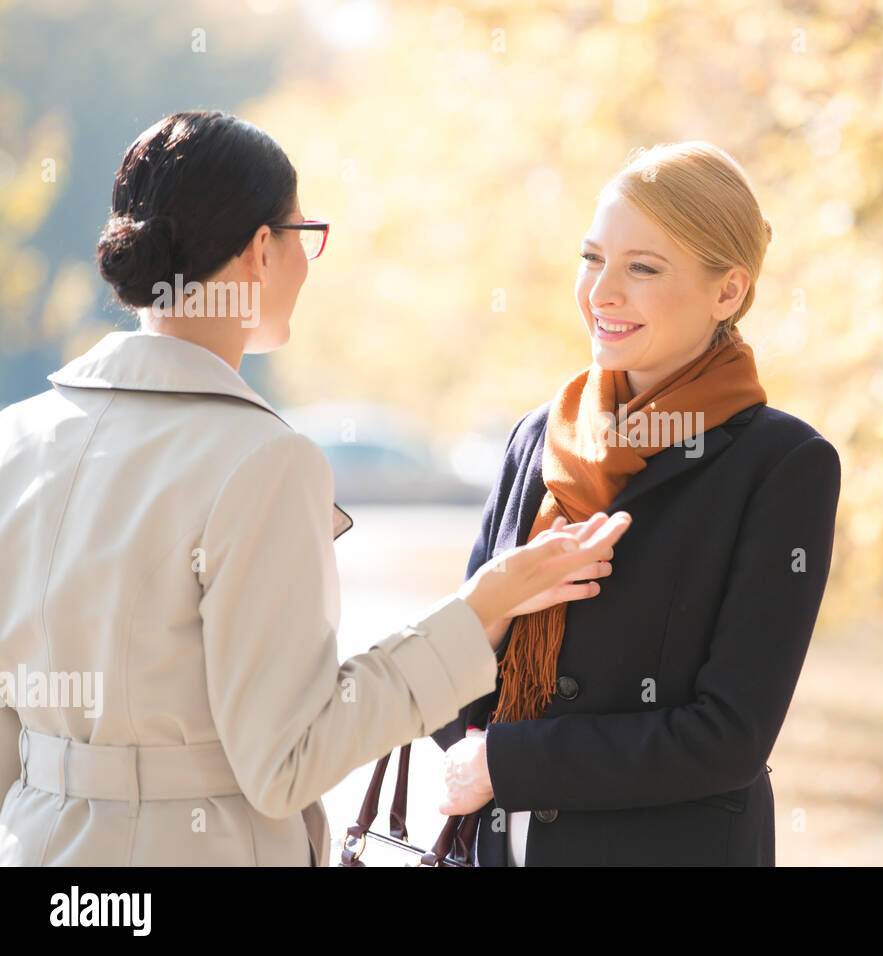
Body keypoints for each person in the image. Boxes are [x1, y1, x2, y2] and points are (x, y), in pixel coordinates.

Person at [0, 110, 630, 866]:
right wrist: (481, 608)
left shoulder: (19, 435)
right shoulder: (261, 458)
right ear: (262, 249)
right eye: (305, 233)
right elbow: (288, 759)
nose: (308, 258)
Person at [435, 141, 840, 865]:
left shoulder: (782, 465)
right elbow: (450, 709)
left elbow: (729, 738)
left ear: (728, 292)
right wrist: (491, 610)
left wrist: (509, 762)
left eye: (643, 268)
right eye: (592, 259)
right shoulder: (539, 437)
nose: (602, 292)